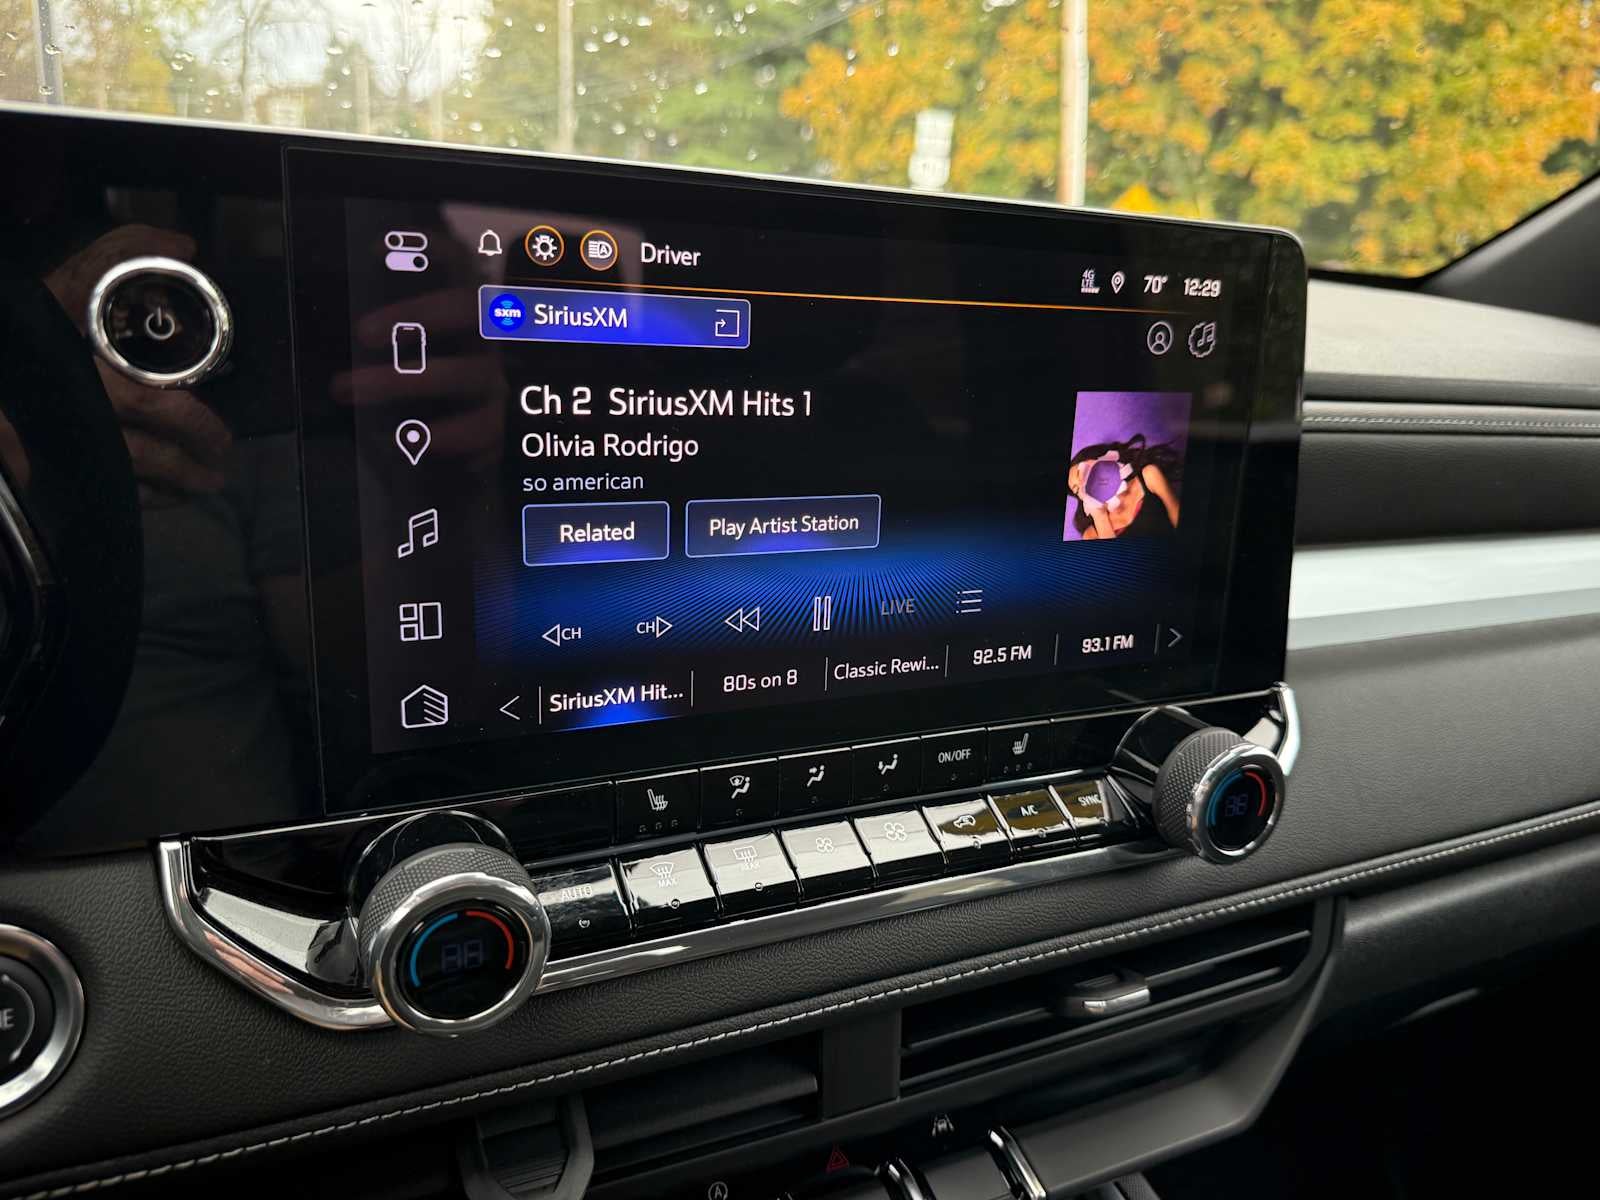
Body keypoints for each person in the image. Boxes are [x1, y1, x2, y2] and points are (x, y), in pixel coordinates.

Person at [1066, 434, 1182, 540]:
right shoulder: (1091, 534)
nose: (1082, 484)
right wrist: (1100, 517)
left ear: (1099, 459)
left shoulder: (1149, 476)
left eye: (1079, 473)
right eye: (1077, 489)